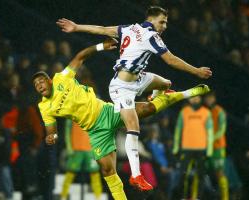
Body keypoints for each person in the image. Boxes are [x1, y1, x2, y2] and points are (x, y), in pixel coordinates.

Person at [56, 6, 212, 190]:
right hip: (121, 88)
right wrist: (196, 71)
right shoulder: (152, 37)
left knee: (165, 84)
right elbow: (171, 60)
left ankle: (157, 98)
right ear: (152, 19)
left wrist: (77, 27)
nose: (164, 26)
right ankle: (136, 175)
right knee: (133, 126)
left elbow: (102, 29)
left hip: (138, 78)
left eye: (166, 23)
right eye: (162, 21)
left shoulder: (130, 28)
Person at [33, 38, 210, 199]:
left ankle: (184, 94)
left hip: (107, 112)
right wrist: (52, 136)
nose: (39, 85)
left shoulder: (61, 78)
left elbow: (80, 56)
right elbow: (51, 130)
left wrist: (101, 46)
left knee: (148, 109)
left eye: (41, 81)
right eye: (36, 85)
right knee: (107, 170)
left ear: (49, 80)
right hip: (95, 132)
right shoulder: (44, 107)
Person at [172, 96, 213, 199]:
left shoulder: (206, 113)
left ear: (200, 99)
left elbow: (210, 132)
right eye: (192, 98)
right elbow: (178, 130)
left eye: (197, 98)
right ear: (189, 100)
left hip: (201, 149)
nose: (194, 100)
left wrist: (209, 150)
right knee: (183, 175)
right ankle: (182, 197)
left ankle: (197, 197)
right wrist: (176, 147)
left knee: (200, 176)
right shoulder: (184, 112)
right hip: (186, 149)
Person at [61, 120, 102, 200]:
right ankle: (63, 196)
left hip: (90, 150)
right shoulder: (71, 114)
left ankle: (98, 197)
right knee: (70, 173)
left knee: (95, 174)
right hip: (76, 150)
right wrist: (69, 148)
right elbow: (67, 132)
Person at [204, 91, 229, 200]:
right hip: (205, 147)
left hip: (218, 147)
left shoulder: (220, 111)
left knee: (219, 173)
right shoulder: (204, 112)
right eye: (206, 98)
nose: (208, 100)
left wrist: (211, 138)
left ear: (214, 99)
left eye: (210, 98)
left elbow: (222, 130)